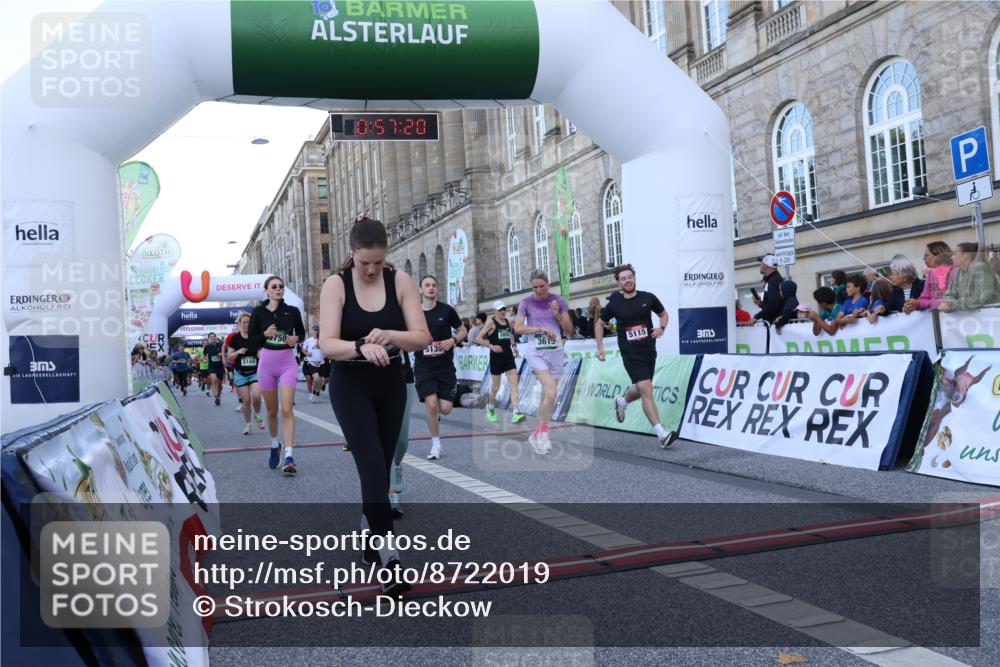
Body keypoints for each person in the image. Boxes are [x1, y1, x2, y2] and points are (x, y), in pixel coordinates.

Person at [318, 217, 430, 589]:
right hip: (351, 383)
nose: (370, 269)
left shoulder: (399, 280)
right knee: (369, 464)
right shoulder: (336, 284)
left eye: (378, 262)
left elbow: (420, 337)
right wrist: (359, 346)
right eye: (364, 262)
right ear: (352, 254)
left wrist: (390, 335)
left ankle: (369, 529)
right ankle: (389, 558)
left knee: (382, 466)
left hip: (391, 382)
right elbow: (327, 343)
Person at [595, 264, 676, 448]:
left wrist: (662, 328)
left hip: (648, 349)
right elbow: (600, 323)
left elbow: (663, 314)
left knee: (642, 388)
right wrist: (600, 346)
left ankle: (622, 401)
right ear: (618, 283)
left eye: (629, 277)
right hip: (630, 351)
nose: (627, 281)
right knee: (646, 388)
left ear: (634, 278)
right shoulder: (615, 302)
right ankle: (661, 434)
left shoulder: (648, 297)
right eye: (623, 278)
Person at [248, 275, 306, 475]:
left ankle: (289, 455)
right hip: (266, 364)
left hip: (287, 362)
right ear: (267, 291)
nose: (278, 289)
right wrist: (264, 335)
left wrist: (296, 338)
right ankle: (275, 445)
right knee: (272, 411)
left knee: (287, 408)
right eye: (274, 287)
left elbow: (301, 333)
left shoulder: (292, 311)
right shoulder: (258, 312)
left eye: (281, 286)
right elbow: (251, 342)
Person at [514, 269, 575, 455]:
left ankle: (537, 433)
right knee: (551, 391)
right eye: (535, 287)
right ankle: (544, 434)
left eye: (542, 286)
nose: (539, 290)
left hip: (556, 352)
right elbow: (518, 328)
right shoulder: (526, 303)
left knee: (548, 397)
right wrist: (538, 328)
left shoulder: (559, 301)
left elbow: (569, 330)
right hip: (536, 353)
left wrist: (557, 315)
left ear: (548, 284)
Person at [413, 275, 467, 460]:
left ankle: (436, 415)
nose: (431, 288)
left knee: (445, 409)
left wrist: (453, 340)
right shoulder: (414, 313)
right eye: (427, 285)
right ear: (420, 290)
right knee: (431, 403)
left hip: (445, 367)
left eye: (434, 285)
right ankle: (436, 444)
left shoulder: (447, 310)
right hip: (424, 367)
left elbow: (463, 330)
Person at [474, 300, 525, 424]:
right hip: (496, 358)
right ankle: (490, 407)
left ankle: (516, 413)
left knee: (514, 386)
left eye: (504, 309)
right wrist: (492, 346)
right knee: (495, 387)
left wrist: (514, 346)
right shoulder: (491, 323)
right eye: (500, 310)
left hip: (508, 357)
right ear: (495, 311)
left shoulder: (508, 322)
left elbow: (510, 335)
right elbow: (478, 338)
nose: (503, 311)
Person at [227, 312, 265, 435]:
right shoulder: (234, 338)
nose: (247, 324)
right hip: (241, 373)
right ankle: (248, 424)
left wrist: (261, 354)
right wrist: (238, 352)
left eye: (249, 322)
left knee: (257, 396)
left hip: (255, 372)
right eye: (244, 322)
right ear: (239, 324)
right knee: (247, 401)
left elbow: (263, 352)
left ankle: (257, 415)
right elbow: (229, 356)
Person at [940, 242, 1000, 311]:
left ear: (965, 256)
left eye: (955, 254)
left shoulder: (980, 267)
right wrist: (948, 302)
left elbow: (981, 298)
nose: (952, 257)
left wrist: (954, 304)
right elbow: (950, 294)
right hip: (976, 317)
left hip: (993, 314)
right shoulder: (958, 272)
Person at [912, 241, 955, 311]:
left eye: (926, 255)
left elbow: (950, 301)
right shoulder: (931, 274)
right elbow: (923, 298)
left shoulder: (955, 272)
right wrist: (913, 305)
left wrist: (921, 303)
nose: (923, 258)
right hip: (937, 319)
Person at [751, 255, 783, 324]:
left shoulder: (773, 281)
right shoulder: (773, 279)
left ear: (765, 265)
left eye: (761, 263)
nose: (760, 265)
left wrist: (756, 317)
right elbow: (773, 305)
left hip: (774, 325)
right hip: (773, 324)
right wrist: (760, 303)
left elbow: (773, 307)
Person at [302, 325, 326, 402]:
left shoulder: (322, 340)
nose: (316, 331)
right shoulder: (308, 340)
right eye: (314, 330)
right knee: (316, 378)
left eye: (317, 330)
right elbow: (303, 349)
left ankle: (317, 395)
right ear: (312, 331)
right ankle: (313, 393)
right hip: (311, 362)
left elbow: (326, 350)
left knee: (320, 380)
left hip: (321, 362)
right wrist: (307, 353)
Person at [201, 333, 225, 406]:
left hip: (220, 367)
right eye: (211, 337)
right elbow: (203, 356)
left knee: (220, 384)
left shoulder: (221, 345)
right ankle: (216, 397)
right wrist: (204, 359)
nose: (213, 338)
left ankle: (218, 395)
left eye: (214, 336)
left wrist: (222, 354)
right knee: (213, 379)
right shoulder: (207, 347)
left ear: (216, 337)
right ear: (209, 339)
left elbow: (227, 354)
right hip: (212, 367)